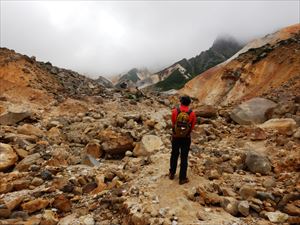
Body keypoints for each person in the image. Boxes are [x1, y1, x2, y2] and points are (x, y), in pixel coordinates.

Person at [169, 95, 196, 184]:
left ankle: (172, 173)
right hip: (186, 138)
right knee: (184, 157)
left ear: (181, 102)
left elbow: (173, 123)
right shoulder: (192, 113)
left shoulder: (175, 111)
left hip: (176, 137)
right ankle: (182, 178)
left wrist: (177, 132)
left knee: (174, 154)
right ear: (189, 103)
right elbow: (192, 126)